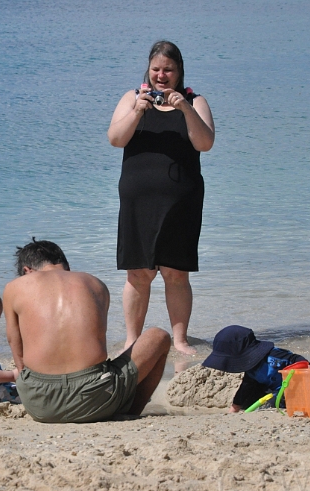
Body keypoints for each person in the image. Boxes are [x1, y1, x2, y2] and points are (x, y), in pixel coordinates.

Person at [107, 40, 215, 356]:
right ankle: (132, 340)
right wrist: (137, 111)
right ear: (148, 70)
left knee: (176, 272)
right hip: (137, 199)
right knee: (138, 273)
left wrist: (184, 109)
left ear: (179, 72)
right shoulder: (132, 98)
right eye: (156, 69)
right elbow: (115, 139)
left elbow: (205, 143)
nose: (161, 75)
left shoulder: (195, 102)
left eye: (168, 69)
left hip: (181, 201)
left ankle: (180, 340)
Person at [3, 238, 171, 423]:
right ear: (65, 265)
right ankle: (131, 412)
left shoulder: (14, 287)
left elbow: (15, 345)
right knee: (159, 336)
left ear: (26, 271)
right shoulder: (95, 284)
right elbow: (97, 341)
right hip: (96, 399)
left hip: (39, 405)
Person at [201, 325, 310, 412]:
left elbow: (295, 358)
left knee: (270, 405)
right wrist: (235, 408)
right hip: (270, 388)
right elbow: (246, 386)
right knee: (247, 401)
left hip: (292, 388)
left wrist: (308, 368)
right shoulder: (251, 367)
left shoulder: (273, 356)